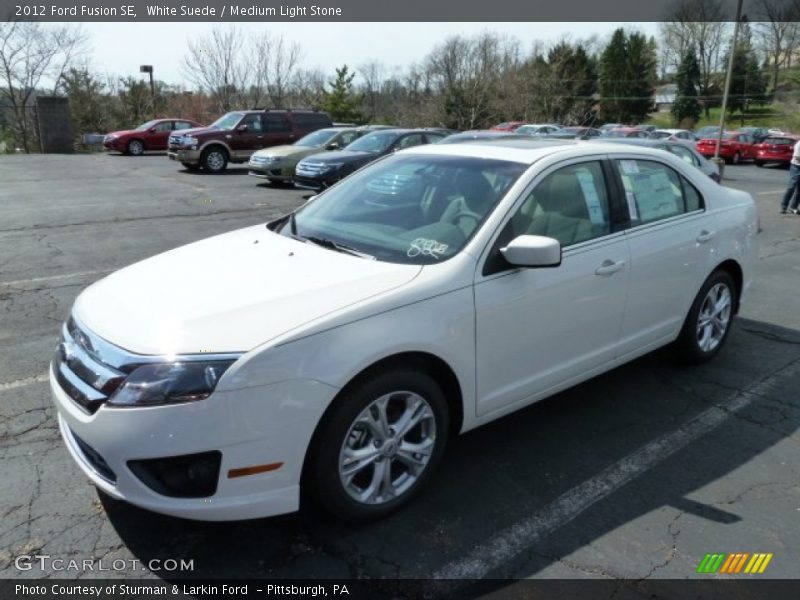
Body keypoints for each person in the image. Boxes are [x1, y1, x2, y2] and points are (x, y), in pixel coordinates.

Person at [780, 138, 800, 214]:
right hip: (796, 167)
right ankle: (784, 206)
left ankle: (793, 207)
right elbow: (797, 157)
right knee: (791, 187)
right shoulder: (799, 145)